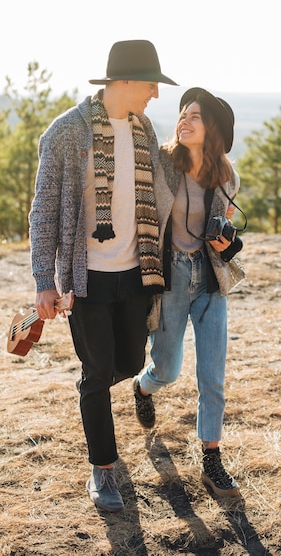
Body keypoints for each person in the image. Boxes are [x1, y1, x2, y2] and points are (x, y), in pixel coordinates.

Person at [29, 40, 178, 513]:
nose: (155, 93)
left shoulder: (145, 130)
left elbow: (159, 192)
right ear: (127, 81)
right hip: (86, 279)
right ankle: (104, 469)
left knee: (131, 362)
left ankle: (101, 385)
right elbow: (44, 212)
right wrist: (43, 280)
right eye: (151, 83)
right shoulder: (66, 133)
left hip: (137, 271)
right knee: (97, 374)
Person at [133, 87, 246, 497]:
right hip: (171, 278)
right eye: (182, 113)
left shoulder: (228, 176)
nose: (184, 119)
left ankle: (211, 460)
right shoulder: (163, 162)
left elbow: (228, 240)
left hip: (210, 280)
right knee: (168, 368)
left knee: (212, 374)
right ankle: (143, 388)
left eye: (195, 115)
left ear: (211, 128)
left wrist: (226, 244)